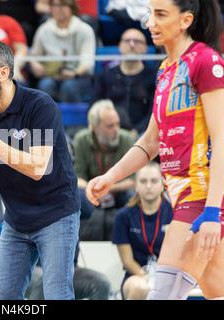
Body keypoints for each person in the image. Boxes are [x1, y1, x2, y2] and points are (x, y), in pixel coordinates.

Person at [86, 0, 224, 300]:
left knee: (163, 295)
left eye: (161, 14)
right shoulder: (165, 70)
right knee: (218, 292)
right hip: (180, 193)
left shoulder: (205, 61)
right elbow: (150, 143)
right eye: (150, 14)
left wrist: (213, 210)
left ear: (186, 20)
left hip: (201, 194)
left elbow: (223, 138)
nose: (151, 22)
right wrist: (109, 176)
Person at [0, 40, 80, 299]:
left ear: (2, 73)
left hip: (55, 215)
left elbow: (37, 167)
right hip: (16, 218)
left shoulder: (40, 106)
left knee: (57, 294)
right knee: (4, 297)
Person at [112, 162, 173, 299]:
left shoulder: (175, 214)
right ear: (136, 185)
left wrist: (161, 281)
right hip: (136, 275)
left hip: (169, 276)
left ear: (163, 184)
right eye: (143, 181)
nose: (149, 186)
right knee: (140, 288)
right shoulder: (123, 216)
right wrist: (148, 279)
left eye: (154, 181)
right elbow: (127, 261)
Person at [73, 100, 135, 219]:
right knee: (76, 195)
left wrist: (107, 188)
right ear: (95, 127)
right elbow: (77, 178)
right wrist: (94, 191)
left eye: (118, 124)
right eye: (110, 126)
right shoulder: (81, 140)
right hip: (90, 195)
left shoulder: (127, 139)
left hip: (119, 192)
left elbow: (133, 181)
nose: (117, 129)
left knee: (132, 195)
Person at [93, 28, 157, 136]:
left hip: (142, 134)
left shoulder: (153, 77)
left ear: (145, 48)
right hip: (110, 132)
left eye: (137, 41)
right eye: (127, 41)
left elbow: (154, 112)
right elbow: (95, 106)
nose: (132, 45)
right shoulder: (106, 74)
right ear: (120, 46)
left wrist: (136, 131)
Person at [30, 0, 96, 103]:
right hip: (51, 75)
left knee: (69, 87)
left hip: (78, 76)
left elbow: (87, 61)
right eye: (55, 5)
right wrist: (35, 65)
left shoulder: (85, 30)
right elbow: (34, 56)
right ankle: (46, 118)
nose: (59, 9)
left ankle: (72, 119)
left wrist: (74, 73)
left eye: (63, 5)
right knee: (45, 85)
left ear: (72, 8)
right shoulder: (43, 30)